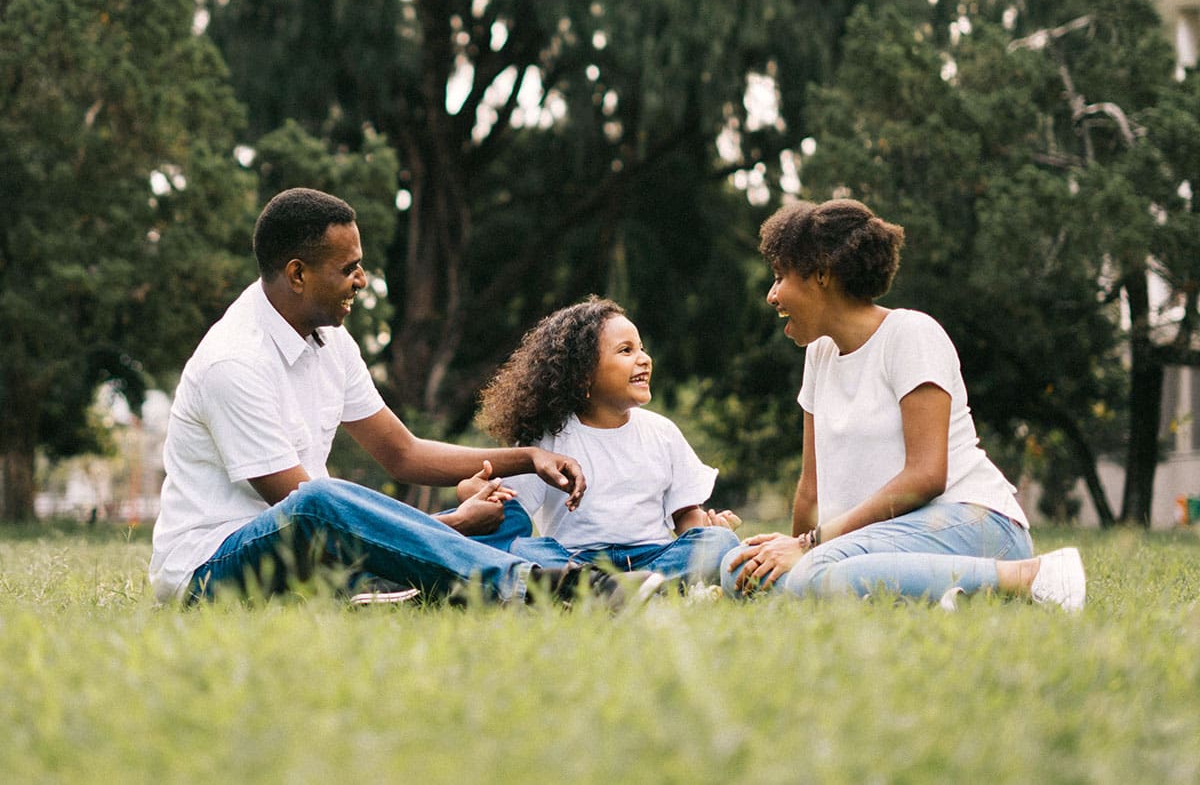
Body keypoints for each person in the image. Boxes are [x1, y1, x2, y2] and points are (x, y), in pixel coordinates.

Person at [149, 188, 650, 607]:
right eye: (349, 269)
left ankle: (605, 576)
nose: (361, 281)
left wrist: (527, 458)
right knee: (318, 497)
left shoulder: (331, 341)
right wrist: (451, 523)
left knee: (505, 517)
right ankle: (532, 585)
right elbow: (306, 513)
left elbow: (403, 454)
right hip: (212, 570)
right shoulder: (233, 362)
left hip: (311, 554)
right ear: (298, 274)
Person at [722, 198, 1086, 611]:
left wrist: (810, 547)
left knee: (818, 572)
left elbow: (926, 476)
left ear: (821, 274)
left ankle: (1032, 576)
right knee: (739, 572)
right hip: (877, 540)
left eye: (778, 277)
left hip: (971, 521)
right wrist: (788, 552)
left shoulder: (911, 335)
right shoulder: (819, 356)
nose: (772, 295)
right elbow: (811, 490)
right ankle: (938, 594)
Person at [468, 297, 742, 585]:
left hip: (653, 555)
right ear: (583, 375)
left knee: (720, 542)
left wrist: (706, 531)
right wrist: (475, 490)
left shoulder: (663, 432)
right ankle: (609, 586)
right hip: (574, 561)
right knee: (525, 549)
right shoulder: (547, 439)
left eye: (642, 349)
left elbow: (686, 513)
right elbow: (510, 511)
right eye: (626, 350)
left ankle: (636, 585)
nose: (644, 359)